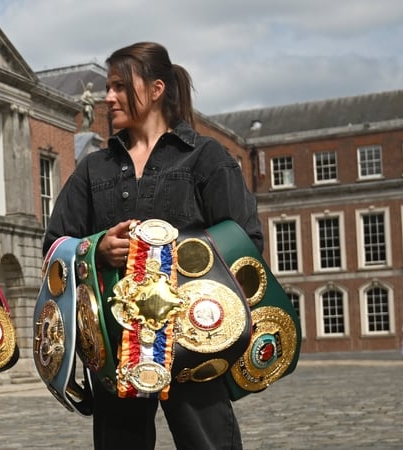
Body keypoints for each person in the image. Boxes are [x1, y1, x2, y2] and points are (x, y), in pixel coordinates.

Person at [43, 42, 262, 450]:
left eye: (120, 87)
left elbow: (247, 240)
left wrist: (182, 258)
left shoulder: (204, 157)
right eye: (108, 88)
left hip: (195, 342)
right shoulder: (94, 167)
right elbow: (54, 245)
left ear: (157, 88)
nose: (109, 98)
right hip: (115, 345)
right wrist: (96, 248)